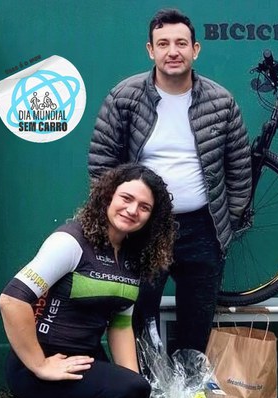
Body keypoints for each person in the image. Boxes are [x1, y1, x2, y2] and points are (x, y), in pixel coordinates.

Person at [88, 8, 251, 352]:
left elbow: (239, 168)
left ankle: (189, 387)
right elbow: (102, 163)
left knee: (196, 329)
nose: (172, 51)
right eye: (163, 44)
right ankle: (140, 385)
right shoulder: (125, 97)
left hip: (204, 229)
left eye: (181, 43)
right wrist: (120, 221)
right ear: (151, 50)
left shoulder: (221, 102)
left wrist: (229, 220)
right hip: (143, 229)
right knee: (136, 323)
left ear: (196, 49)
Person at [0, 164, 175, 398]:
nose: (132, 210)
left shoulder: (133, 257)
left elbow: (120, 325)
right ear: (108, 196)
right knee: (133, 391)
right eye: (126, 198)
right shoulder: (70, 242)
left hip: (84, 362)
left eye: (144, 207)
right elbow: (11, 300)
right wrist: (40, 364)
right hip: (37, 367)